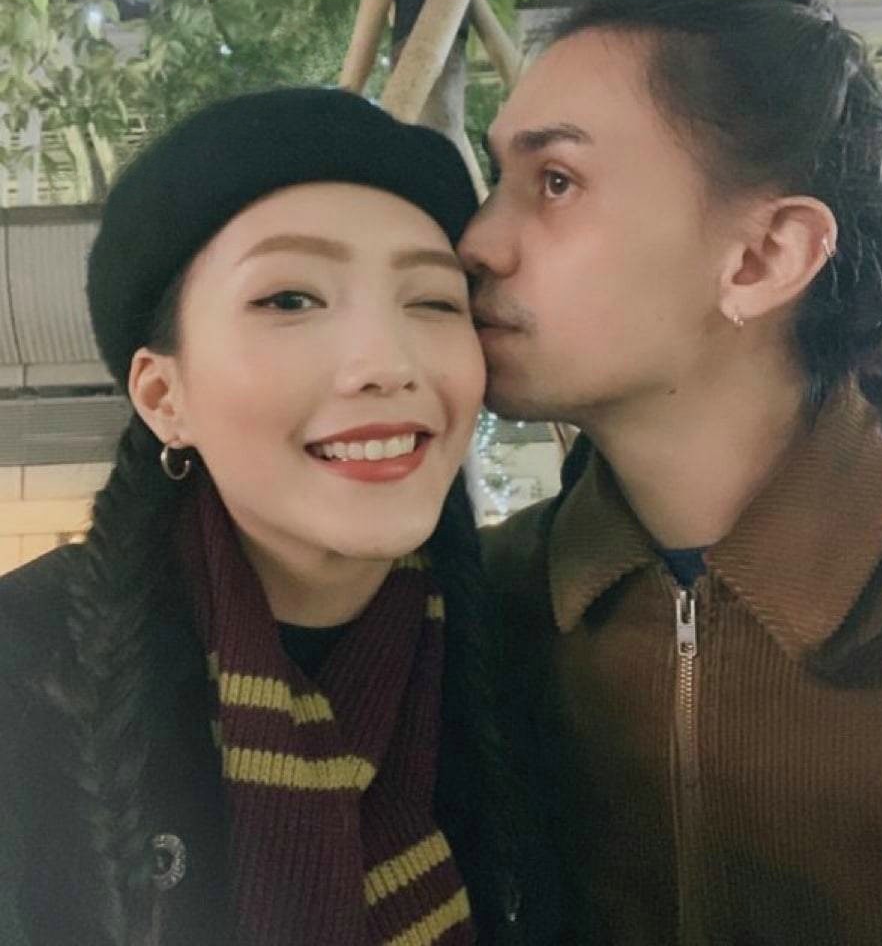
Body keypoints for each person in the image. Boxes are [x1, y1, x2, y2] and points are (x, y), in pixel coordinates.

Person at [0, 87, 537, 946]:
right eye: (289, 300)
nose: (386, 363)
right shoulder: (24, 676)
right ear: (164, 396)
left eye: (434, 302)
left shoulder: (536, 652)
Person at [462, 0, 882, 946]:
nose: (479, 242)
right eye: (499, 182)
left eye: (557, 182)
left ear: (763, 257)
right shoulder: (487, 606)